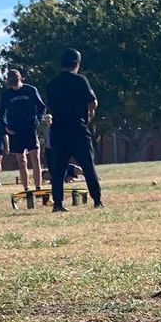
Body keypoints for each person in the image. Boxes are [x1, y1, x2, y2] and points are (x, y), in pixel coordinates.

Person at [45, 48, 103, 213]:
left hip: (58, 131)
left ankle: (58, 203)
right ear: (76, 63)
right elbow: (92, 101)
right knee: (88, 166)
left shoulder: (52, 84)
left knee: (58, 170)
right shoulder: (80, 80)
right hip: (78, 129)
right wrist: (90, 113)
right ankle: (97, 200)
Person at [0, 68, 46, 192]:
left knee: (35, 158)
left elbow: (41, 107)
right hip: (15, 131)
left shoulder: (30, 90)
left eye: (14, 81)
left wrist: (37, 121)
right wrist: (5, 127)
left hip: (30, 129)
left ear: (19, 79)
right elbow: (0, 114)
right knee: (21, 160)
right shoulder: (6, 95)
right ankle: (26, 189)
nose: (13, 84)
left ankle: (38, 187)